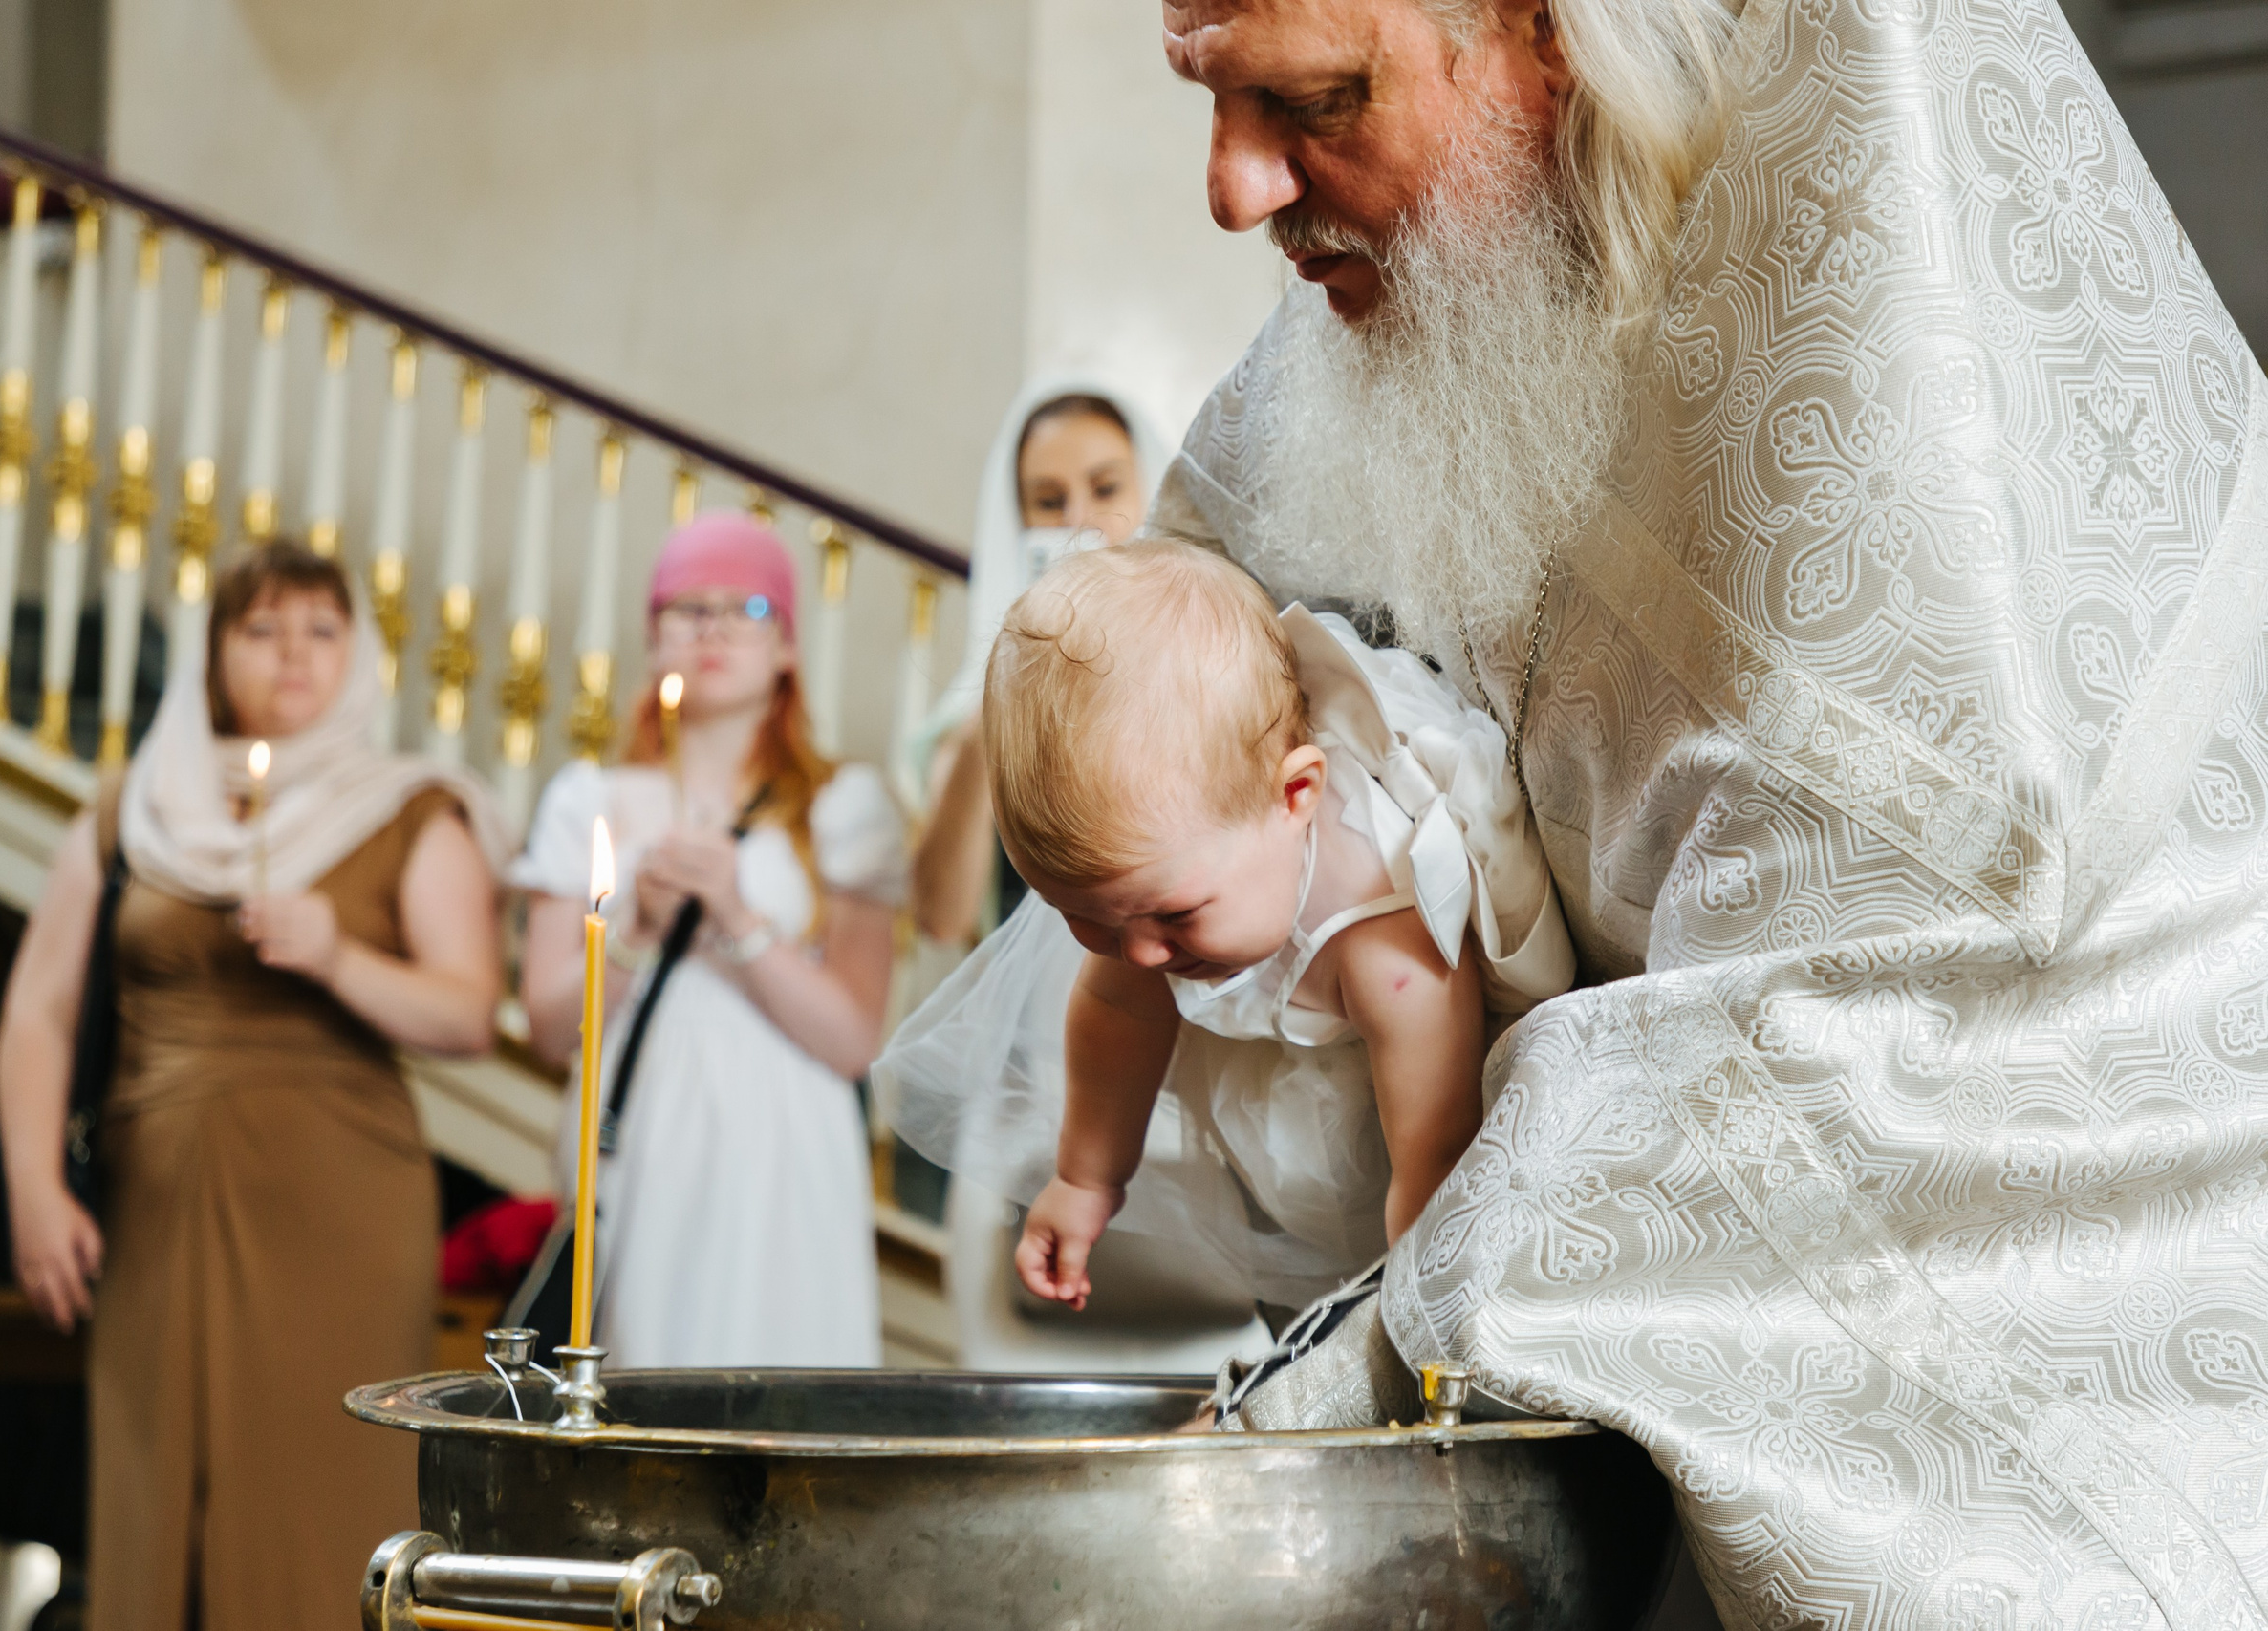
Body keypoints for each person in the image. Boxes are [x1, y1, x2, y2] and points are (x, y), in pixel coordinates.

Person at [1144, 0, 2268, 1620]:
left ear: (1567, 42)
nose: (1237, 188)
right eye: (1211, 97)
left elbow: (1837, 1027)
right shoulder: (1434, 274)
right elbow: (1184, 596)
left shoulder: (1887, 315)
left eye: (1315, 97)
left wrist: (1315, 1405)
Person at [0, 538, 506, 1631]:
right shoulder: (136, 805)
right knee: (151, 1486)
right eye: (260, 629)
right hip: (153, 1196)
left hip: (337, 1200)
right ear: (214, 650)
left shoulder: (411, 809)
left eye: (322, 631)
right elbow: (37, 1008)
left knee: (315, 1490)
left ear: (358, 655)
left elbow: (468, 1015)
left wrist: (337, 956)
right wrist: (34, 1185)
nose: (293, 658)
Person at [885, 542, 1571, 1314]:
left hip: (1428, 1080)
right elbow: (1114, 1013)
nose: (1142, 952)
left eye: (1173, 914)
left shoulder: (1387, 936)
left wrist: (1412, 1299)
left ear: (1295, 796)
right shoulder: (1161, 889)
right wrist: (1084, 1178)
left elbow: (1435, 1158)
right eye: (1085, 920)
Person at [515, 511, 904, 1368]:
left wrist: (737, 920)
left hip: (787, 1139)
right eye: (688, 609)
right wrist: (639, 932)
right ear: (653, 639)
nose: (716, 629)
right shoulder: (593, 802)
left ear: (789, 648)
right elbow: (548, 1025)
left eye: (748, 609)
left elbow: (852, 1041)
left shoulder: (843, 808)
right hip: (645, 1123)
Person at [909, 381, 1166, 948]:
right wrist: (998, 711)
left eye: (1106, 488)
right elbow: (940, 918)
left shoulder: (1213, 661)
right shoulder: (973, 714)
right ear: (1015, 520)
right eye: (1049, 502)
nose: (1079, 519)